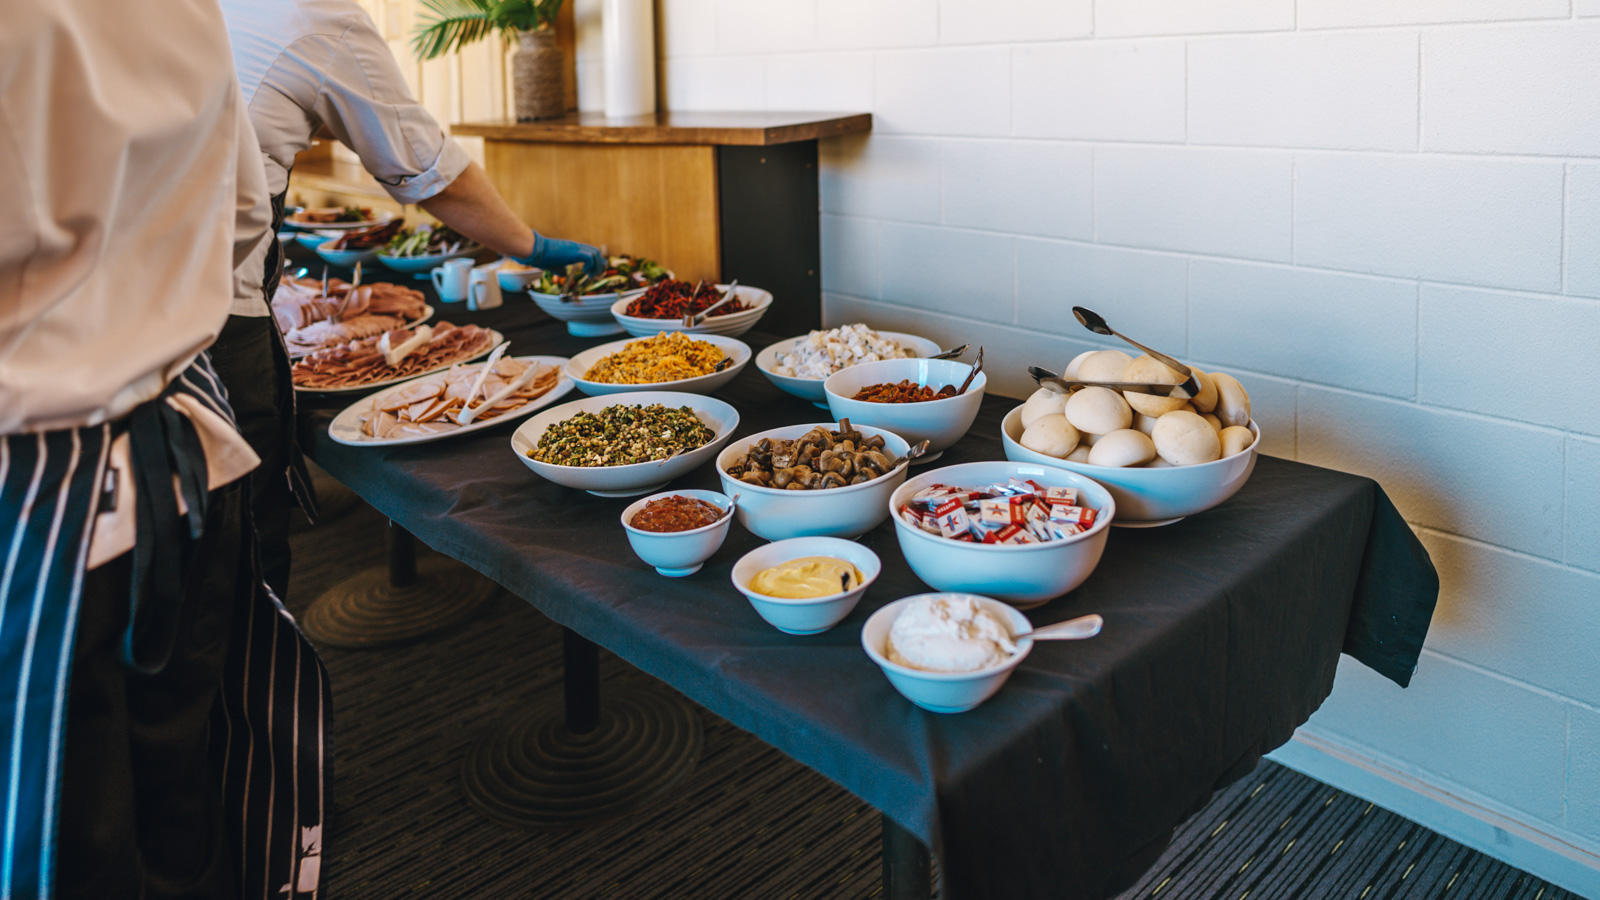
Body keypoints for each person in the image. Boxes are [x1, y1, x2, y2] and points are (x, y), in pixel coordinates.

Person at [0, 2, 329, 897]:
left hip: (47, 481)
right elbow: (237, 218)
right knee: (182, 805)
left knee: (72, 848)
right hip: (181, 439)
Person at [216, 0, 604, 603]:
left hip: (117, 313)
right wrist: (533, 245)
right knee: (235, 560)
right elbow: (430, 173)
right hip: (214, 321)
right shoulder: (318, 16)